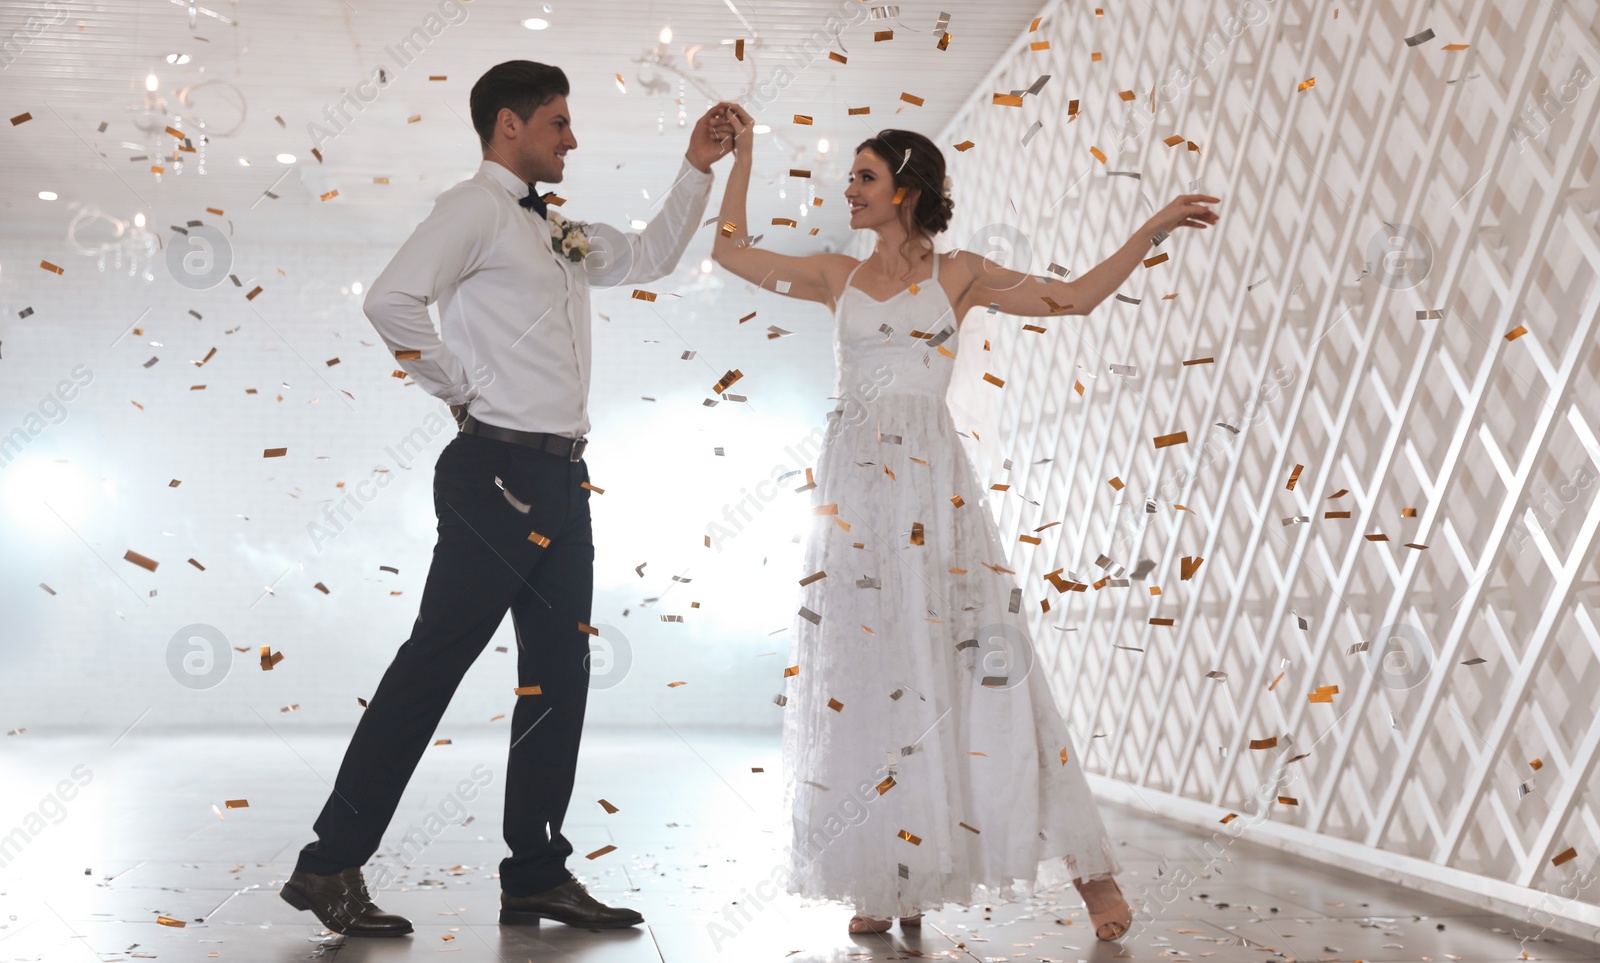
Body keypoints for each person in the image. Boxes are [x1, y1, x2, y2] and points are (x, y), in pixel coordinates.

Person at [711, 105, 1219, 939]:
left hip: (936, 498)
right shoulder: (836, 275)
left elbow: (1075, 298)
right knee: (870, 678)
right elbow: (728, 252)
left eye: (865, 177)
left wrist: (1152, 227)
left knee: (989, 672)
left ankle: (1093, 879)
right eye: (853, 177)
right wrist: (743, 158)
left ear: (908, 191)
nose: (851, 188)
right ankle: (889, 869)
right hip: (857, 504)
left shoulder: (963, 275)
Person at [279, 60, 737, 937]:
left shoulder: (552, 230)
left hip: (564, 479)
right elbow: (392, 301)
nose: (572, 138)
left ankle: (535, 872)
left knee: (558, 679)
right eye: (559, 122)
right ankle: (330, 862)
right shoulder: (473, 210)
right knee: (434, 665)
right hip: (496, 476)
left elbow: (646, 255)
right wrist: (462, 387)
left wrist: (696, 165)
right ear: (507, 126)